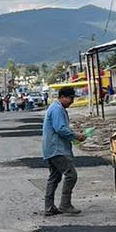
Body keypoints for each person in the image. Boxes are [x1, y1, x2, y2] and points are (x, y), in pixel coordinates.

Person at [41, 85, 84, 216]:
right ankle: (65, 204)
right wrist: (76, 136)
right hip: (57, 149)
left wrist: (73, 134)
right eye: (70, 98)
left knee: (54, 177)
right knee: (71, 175)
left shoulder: (56, 108)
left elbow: (62, 127)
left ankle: (49, 207)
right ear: (63, 97)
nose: (72, 101)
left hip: (51, 149)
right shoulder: (57, 109)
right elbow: (60, 128)